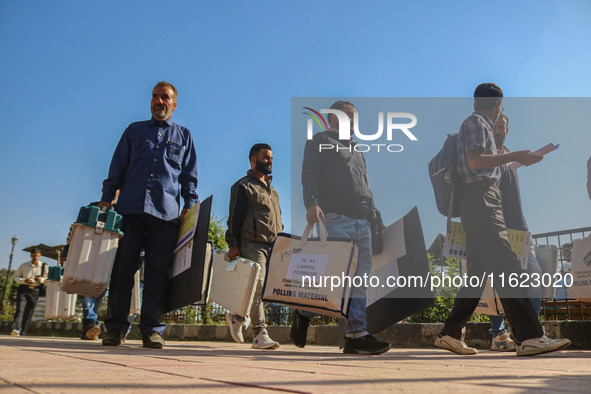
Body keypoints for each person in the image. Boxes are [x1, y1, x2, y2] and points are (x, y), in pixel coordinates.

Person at [434, 83, 571, 356]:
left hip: (480, 202)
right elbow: (475, 161)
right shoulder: (478, 122)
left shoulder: (476, 121)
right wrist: (516, 155)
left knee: (476, 275)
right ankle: (530, 337)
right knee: (510, 267)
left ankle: (449, 334)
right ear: (498, 104)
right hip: (483, 202)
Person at [98, 81, 198, 349]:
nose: (158, 101)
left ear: (174, 104)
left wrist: (190, 202)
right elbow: (117, 167)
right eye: (155, 97)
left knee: (157, 274)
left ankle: (152, 329)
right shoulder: (134, 131)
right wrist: (106, 200)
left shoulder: (184, 136)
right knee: (122, 271)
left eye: (165, 98)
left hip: (165, 217)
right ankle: (116, 328)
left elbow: (189, 177)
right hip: (130, 211)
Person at [289, 100, 391, 355]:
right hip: (335, 218)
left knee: (359, 281)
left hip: (363, 222)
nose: (354, 123)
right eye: (348, 117)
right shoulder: (319, 141)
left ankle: (356, 335)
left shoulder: (357, 151)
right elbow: (309, 175)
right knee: (332, 281)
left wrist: (376, 217)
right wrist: (311, 204)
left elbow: (365, 187)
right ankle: (303, 313)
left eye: (355, 118)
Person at [486, 114, 543, 351]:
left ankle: (530, 331)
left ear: (507, 130)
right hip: (494, 227)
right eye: (495, 127)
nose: (499, 130)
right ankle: (499, 335)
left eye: (502, 127)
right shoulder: (486, 157)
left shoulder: (510, 158)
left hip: (519, 228)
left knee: (534, 275)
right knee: (494, 284)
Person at [225, 143, 283, 349]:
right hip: (252, 245)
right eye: (266, 157)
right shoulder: (243, 186)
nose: (270, 161)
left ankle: (238, 316)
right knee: (257, 289)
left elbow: (278, 220)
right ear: (253, 159)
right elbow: (234, 218)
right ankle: (259, 334)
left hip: (273, 247)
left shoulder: (273, 191)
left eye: (272, 158)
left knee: (269, 291)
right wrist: (233, 244)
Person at [11, 249, 47, 336]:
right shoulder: (23, 266)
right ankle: (16, 329)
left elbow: (47, 278)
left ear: (40, 256)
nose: (35, 258)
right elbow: (16, 277)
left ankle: (23, 331)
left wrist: (41, 279)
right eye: (34, 255)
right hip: (23, 289)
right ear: (31, 256)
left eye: (37, 256)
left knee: (29, 311)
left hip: (35, 290)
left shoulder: (43, 266)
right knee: (20, 309)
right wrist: (24, 280)